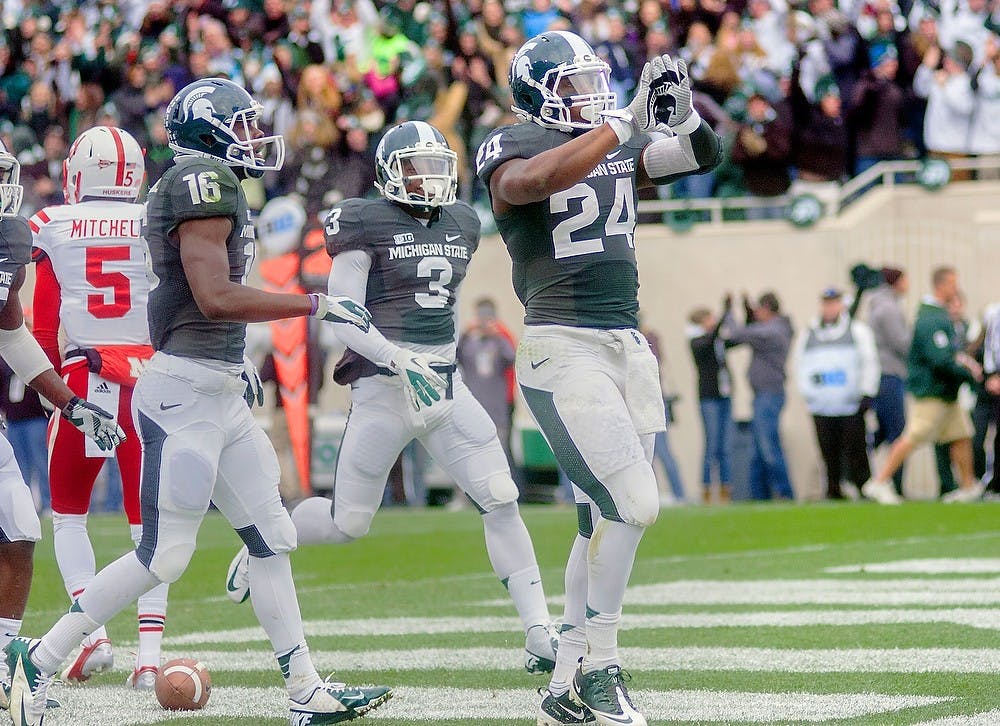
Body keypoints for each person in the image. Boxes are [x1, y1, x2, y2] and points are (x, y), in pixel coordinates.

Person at [5, 78, 392, 726]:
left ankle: (304, 689)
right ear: (209, 133)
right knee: (165, 553)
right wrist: (314, 301)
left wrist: (239, 358)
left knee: (270, 536)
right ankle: (39, 662)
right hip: (182, 390)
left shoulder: (211, 184)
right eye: (239, 124)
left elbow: (202, 302)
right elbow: (213, 294)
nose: (252, 134)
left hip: (211, 382)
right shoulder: (200, 183)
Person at [230, 120, 558, 676]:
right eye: (415, 167)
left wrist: (435, 359)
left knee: (500, 497)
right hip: (385, 389)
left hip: (444, 386)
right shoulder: (364, 220)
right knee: (347, 523)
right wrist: (396, 357)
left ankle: (538, 630)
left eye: (435, 166)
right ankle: (264, 536)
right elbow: (343, 316)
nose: (428, 179)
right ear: (387, 173)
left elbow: (442, 305)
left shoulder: (459, 220)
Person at [476, 30, 721, 726]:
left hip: (625, 346)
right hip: (563, 347)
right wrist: (621, 124)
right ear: (539, 97)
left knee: (597, 521)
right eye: (574, 85)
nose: (591, 94)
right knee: (635, 505)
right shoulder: (511, 144)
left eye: (594, 82)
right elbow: (531, 183)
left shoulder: (609, 144)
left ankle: (564, 678)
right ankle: (603, 666)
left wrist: (687, 116)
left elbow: (699, 159)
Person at [28, 126, 168, 690]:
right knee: (150, 528)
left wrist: (48, 389)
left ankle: (93, 637)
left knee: (68, 513)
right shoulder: (155, 219)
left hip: (84, 379)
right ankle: (150, 660)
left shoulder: (52, 225)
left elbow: (41, 324)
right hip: (153, 381)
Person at [0, 139, 126, 713]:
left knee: (22, 526)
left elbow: (11, 333)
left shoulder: (10, 238)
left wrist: (69, 402)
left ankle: (5, 663)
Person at [862, 267, 984, 505]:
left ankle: (968, 486)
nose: (955, 289)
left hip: (945, 392)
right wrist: (968, 374)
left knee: (961, 435)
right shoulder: (931, 318)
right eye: (952, 284)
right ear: (941, 285)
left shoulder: (937, 315)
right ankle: (879, 481)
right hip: (932, 390)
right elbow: (939, 358)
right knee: (914, 435)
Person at [794, 288, 879, 500]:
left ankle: (864, 487)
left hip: (850, 404)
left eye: (833, 303)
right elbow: (800, 366)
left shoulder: (857, 330)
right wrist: (809, 394)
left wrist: (867, 391)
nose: (829, 308)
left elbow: (869, 362)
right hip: (822, 405)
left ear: (841, 305)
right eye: (826, 303)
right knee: (827, 451)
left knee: (857, 449)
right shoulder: (809, 333)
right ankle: (833, 489)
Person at [727, 291, 795, 500]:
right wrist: (749, 314)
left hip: (769, 395)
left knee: (768, 447)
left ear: (767, 309)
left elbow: (737, 334)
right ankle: (759, 497)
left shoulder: (773, 331)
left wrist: (729, 312)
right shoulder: (774, 328)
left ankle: (785, 494)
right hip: (763, 395)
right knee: (758, 451)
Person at [865, 266, 910, 495]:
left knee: (883, 432)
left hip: (882, 375)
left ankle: (859, 473)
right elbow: (901, 342)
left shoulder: (876, 304)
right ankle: (893, 485)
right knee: (898, 434)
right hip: (889, 374)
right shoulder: (888, 308)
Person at [687, 299, 735, 503]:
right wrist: (725, 312)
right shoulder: (697, 342)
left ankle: (725, 489)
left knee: (725, 446)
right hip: (709, 398)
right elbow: (710, 338)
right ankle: (706, 489)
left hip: (724, 396)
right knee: (711, 444)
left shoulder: (718, 341)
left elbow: (739, 338)